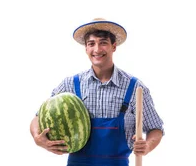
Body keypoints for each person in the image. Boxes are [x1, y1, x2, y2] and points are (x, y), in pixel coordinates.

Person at [29, 18, 165, 166]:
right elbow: (38, 117)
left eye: (103, 43)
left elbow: (155, 128)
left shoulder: (135, 88)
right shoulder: (71, 84)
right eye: (91, 43)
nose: (97, 49)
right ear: (86, 49)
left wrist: (147, 146)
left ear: (114, 46)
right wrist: (37, 137)